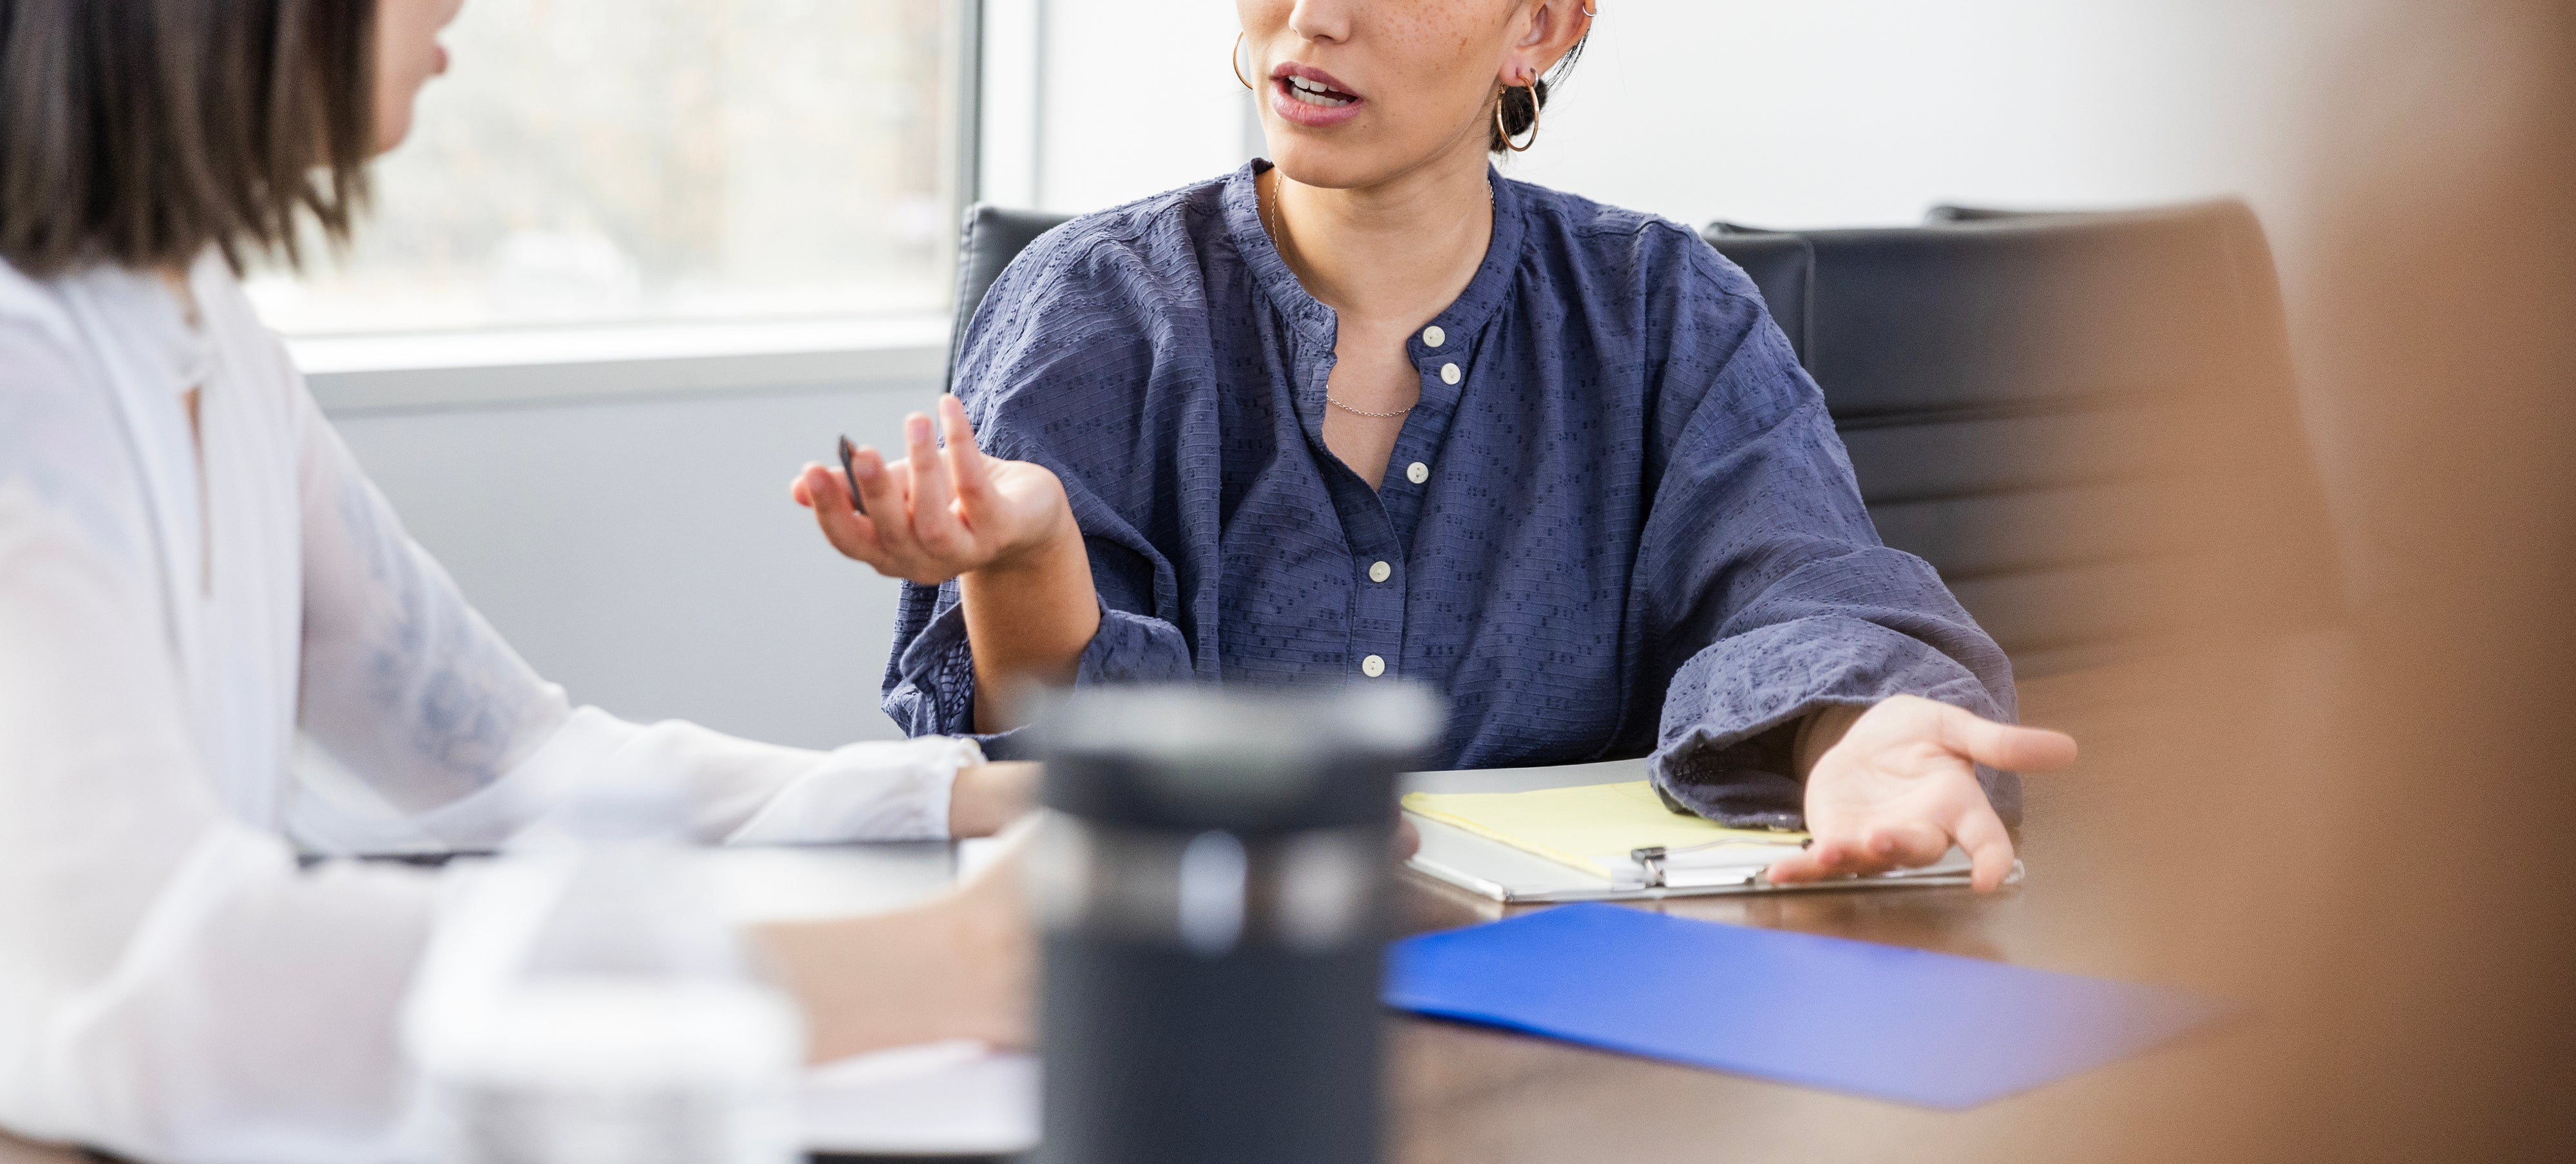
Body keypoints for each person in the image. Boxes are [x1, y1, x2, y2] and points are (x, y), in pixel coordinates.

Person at [0, 1, 1030, 1159]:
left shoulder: (205, 339)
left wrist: (975, 798)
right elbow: (165, 978)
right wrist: (950, 962)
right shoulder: (24, 383)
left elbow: (522, 763)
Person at [794, 0, 2078, 891]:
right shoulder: (1089, 309)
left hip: (1587, 1018)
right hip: (1209, 992)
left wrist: (1851, 734)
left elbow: (1795, 587)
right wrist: (1028, 562)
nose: (1313, 18)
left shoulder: (1659, 309)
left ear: (1540, 27)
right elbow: (1037, 775)